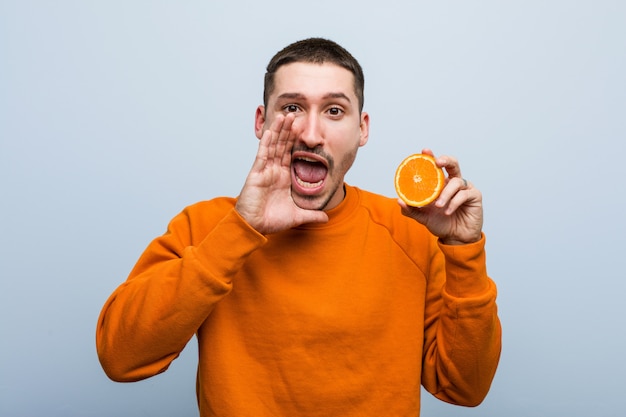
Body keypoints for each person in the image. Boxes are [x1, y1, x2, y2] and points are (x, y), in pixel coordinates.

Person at [96, 37, 501, 417]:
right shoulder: (205, 227)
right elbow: (121, 357)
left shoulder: (410, 235)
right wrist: (240, 230)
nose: (310, 133)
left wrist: (463, 251)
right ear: (261, 121)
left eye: (334, 110)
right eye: (291, 108)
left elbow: (464, 387)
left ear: (362, 129)